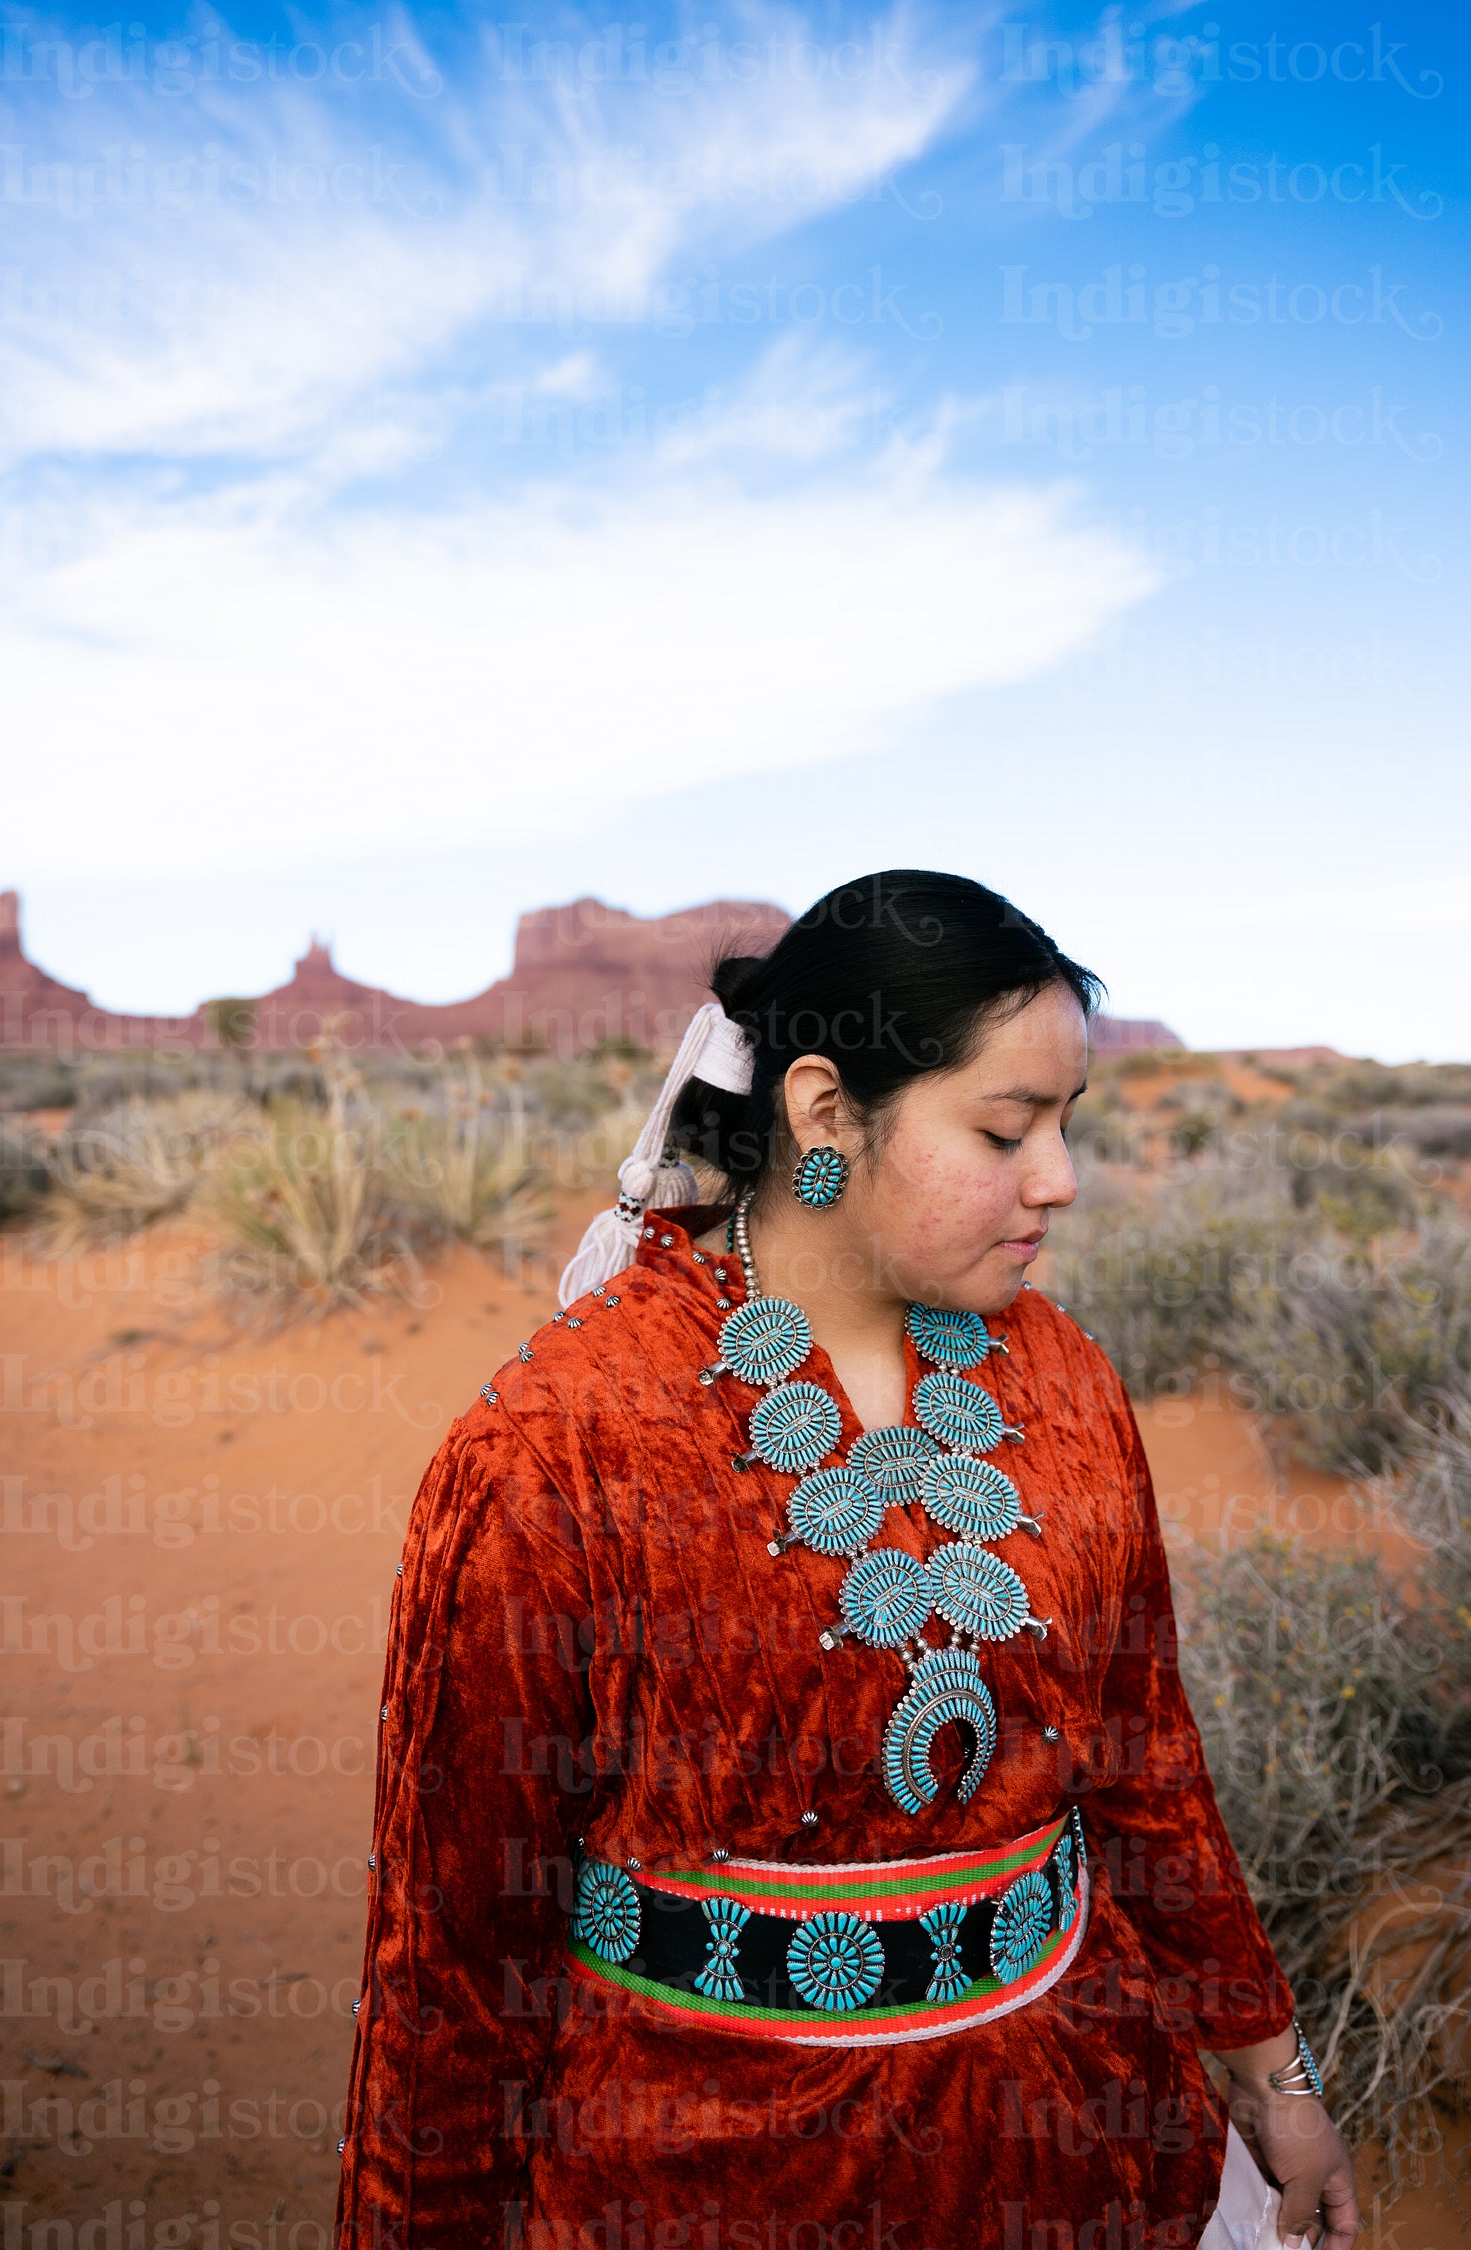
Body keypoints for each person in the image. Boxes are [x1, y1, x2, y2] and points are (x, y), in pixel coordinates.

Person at [335, 871, 1360, 2250]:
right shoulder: (564, 1446)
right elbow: (455, 1950)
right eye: (1006, 1128)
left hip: (1077, 2149)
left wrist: (1273, 2074)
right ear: (824, 1112)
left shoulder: (1065, 1382)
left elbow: (1147, 1762)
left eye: (1068, 1122)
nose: (1058, 1178)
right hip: (702, 2188)